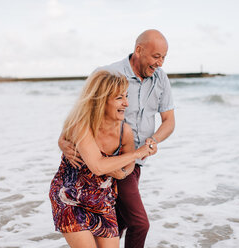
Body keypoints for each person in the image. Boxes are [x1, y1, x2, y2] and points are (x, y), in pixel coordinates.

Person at [59, 29, 175, 248]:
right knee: (140, 223)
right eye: (156, 56)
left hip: (134, 162)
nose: (160, 63)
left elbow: (169, 121)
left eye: (164, 57)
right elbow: (81, 112)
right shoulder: (108, 74)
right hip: (106, 161)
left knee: (119, 219)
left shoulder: (161, 78)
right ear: (139, 50)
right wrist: (62, 140)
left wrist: (153, 141)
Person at [49, 70, 154, 248]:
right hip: (71, 198)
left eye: (126, 96)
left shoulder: (124, 132)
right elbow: (98, 166)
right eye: (120, 98)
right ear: (101, 99)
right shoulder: (81, 126)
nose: (126, 103)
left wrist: (121, 172)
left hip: (103, 201)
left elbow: (126, 168)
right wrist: (138, 153)